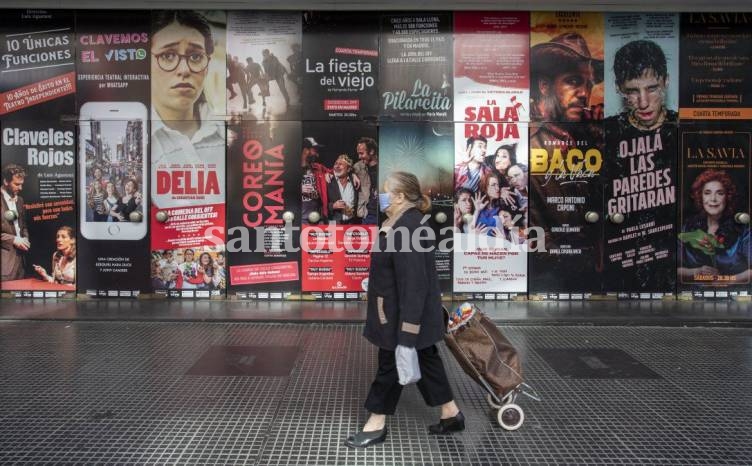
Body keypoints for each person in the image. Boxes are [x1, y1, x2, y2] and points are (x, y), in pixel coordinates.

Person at [346, 171, 463, 449]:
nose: (381, 196)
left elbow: (414, 286)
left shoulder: (407, 229)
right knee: (427, 361)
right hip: (405, 314)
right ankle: (451, 414)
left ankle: (376, 423)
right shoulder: (401, 223)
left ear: (399, 196)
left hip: (402, 319)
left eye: (385, 191)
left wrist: (407, 334)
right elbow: (398, 272)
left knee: (390, 368)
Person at [150, 10, 225, 210]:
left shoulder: (229, 133)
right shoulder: (137, 139)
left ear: (207, 65)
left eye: (195, 56)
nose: (184, 69)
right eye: (167, 55)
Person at [529, 32, 604, 147]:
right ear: (544, 86)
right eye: (573, 81)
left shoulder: (585, 131)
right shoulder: (530, 135)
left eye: (589, 85)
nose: (584, 93)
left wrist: (598, 139)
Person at [678, 170, 750, 284]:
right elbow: (672, 269)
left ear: (727, 197)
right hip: (694, 295)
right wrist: (696, 272)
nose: (713, 199)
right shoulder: (688, 227)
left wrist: (725, 281)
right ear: (700, 196)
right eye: (707, 193)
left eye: (719, 193)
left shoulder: (743, 230)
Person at [607, 40, 677, 131]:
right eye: (632, 91)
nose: (643, 104)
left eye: (652, 89)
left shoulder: (685, 127)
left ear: (666, 81)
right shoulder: (606, 131)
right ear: (618, 88)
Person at [1, 164, 30, 281]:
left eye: (22, 184)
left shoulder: (20, 200)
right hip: (5, 263)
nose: (20, 188)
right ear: (6, 181)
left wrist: (25, 239)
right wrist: (14, 240)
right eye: (17, 184)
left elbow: (23, 226)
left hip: (21, 262)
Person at [300, 137, 331, 224]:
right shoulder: (291, 168)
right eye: (315, 150)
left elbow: (337, 172)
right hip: (299, 219)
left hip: (318, 219)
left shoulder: (318, 167)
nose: (317, 154)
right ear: (306, 150)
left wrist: (353, 173)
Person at [352, 137, 379, 225]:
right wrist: (352, 174)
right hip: (368, 215)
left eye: (361, 153)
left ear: (371, 151)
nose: (359, 157)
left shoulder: (387, 165)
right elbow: (341, 170)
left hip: (385, 214)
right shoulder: (358, 167)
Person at [327, 154, 357, 224]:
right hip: (333, 223)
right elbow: (320, 204)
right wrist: (333, 206)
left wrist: (354, 174)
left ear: (349, 169)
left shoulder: (355, 181)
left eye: (340, 164)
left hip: (352, 223)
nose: (337, 166)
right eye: (336, 164)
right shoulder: (328, 181)